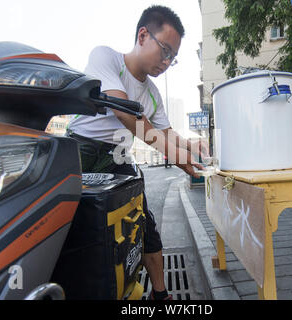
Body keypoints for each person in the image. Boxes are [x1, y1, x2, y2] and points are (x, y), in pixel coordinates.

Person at [67, 5, 208, 300]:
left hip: (118, 156)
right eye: (165, 50)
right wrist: (174, 155)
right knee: (73, 229)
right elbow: (124, 112)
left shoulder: (153, 93)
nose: (167, 62)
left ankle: (160, 295)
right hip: (80, 150)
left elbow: (167, 132)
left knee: (142, 223)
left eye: (173, 57)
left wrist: (190, 146)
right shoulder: (105, 57)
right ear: (143, 35)